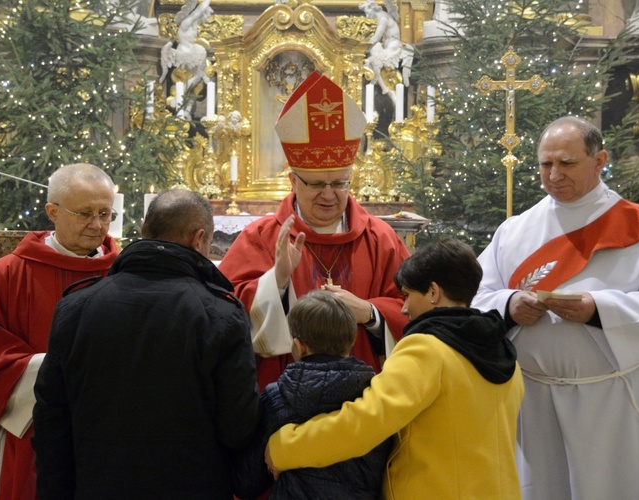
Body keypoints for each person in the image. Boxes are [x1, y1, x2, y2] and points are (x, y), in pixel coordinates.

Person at [471, 116, 639, 500]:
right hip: (533, 400)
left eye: (567, 163)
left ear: (599, 160)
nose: (553, 175)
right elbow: (474, 296)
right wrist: (509, 304)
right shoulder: (515, 230)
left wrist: (599, 309)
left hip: (610, 401)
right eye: (545, 164)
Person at [32, 189, 259, 499]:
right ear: (199, 238)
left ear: (143, 232)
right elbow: (238, 428)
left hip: (97, 487)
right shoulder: (221, 313)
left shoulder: (76, 307)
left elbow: (51, 424)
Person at [266, 239, 523, 499]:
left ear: (433, 292)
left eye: (408, 295)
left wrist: (284, 447)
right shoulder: (503, 351)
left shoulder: (427, 350)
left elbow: (363, 423)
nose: (403, 307)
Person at [0, 163, 121, 499]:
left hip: (110, 432)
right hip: (28, 433)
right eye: (85, 213)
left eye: (106, 213)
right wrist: (67, 369)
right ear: (52, 212)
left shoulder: (123, 274)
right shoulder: (8, 274)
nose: (98, 225)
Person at [218, 72, 410, 390]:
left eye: (339, 184)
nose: (329, 194)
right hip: (284, 396)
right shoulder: (262, 238)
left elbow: (415, 307)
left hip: (367, 402)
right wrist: (275, 282)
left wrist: (371, 313)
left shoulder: (380, 240)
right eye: (317, 184)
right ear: (293, 181)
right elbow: (223, 311)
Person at [233, 291, 392, 499]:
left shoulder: (278, 398)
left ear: (298, 346)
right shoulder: (375, 395)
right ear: (352, 341)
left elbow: (247, 482)